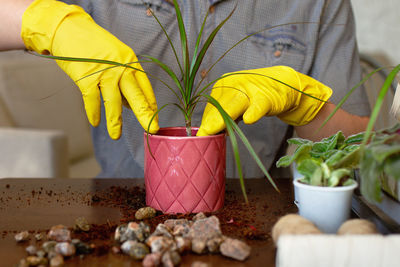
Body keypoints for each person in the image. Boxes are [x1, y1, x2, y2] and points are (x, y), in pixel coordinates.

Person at [1, 0, 370, 178]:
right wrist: (44, 23)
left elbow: (359, 148)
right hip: (118, 205)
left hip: (255, 213)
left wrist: (307, 105)